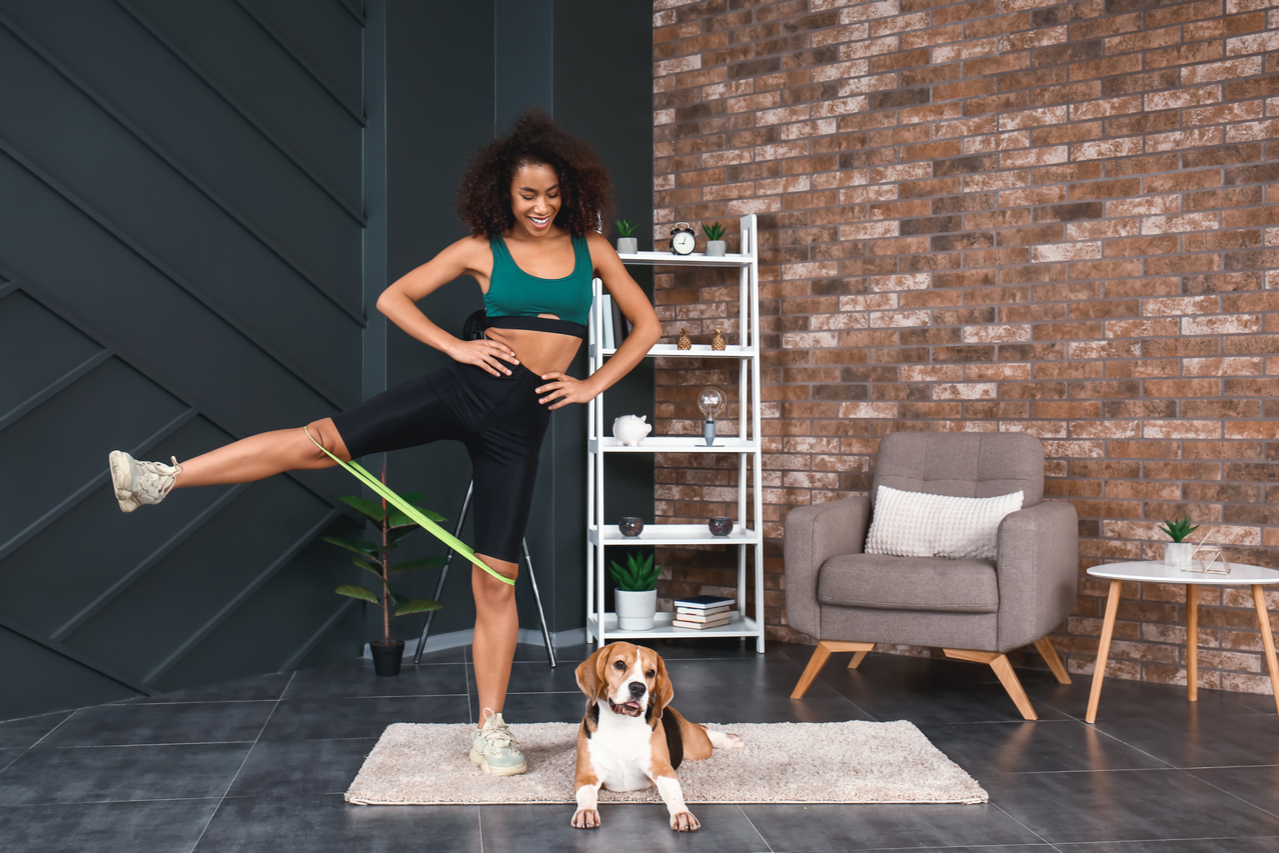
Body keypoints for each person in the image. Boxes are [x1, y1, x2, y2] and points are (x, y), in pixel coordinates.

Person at [106, 109, 662, 777]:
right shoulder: (478, 249)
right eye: (527, 195)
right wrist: (458, 344)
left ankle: (490, 727)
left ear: (568, 190)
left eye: (551, 193)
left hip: (520, 425)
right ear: (502, 194)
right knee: (320, 441)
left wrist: (589, 384)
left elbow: (646, 324)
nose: (541, 207)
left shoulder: (592, 250)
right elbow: (394, 298)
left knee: (495, 581)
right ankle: (161, 479)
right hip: (462, 390)